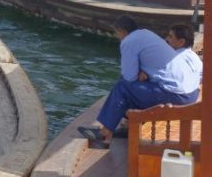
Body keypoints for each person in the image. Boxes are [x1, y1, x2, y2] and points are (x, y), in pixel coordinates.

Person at [77, 15, 201, 146]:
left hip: (178, 95)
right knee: (132, 87)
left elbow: (128, 77)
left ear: (122, 32)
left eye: (117, 33)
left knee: (122, 86)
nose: (117, 36)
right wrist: (140, 73)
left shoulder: (128, 41)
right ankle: (131, 126)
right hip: (191, 94)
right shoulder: (146, 34)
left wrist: (139, 74)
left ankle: (105, 133)